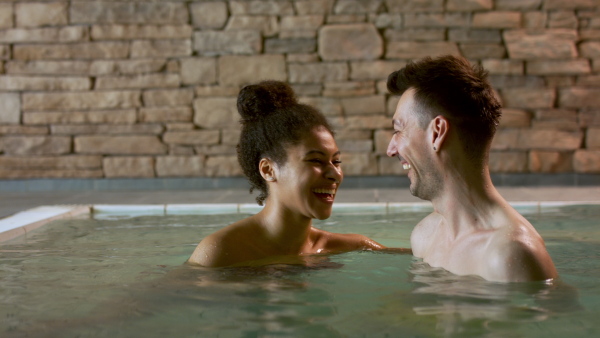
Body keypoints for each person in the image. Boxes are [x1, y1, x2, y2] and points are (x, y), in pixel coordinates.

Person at [188, 80, 406, 267]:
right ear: (268, 169)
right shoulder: (222, 252)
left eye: (336, 161)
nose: (334, 174)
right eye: (316, 160)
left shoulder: (352, 248)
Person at [385, 55, 558, 282]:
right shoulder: (424, 237)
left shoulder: (509, 256)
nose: (391, 149)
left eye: (399, 130)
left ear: (437, 133)